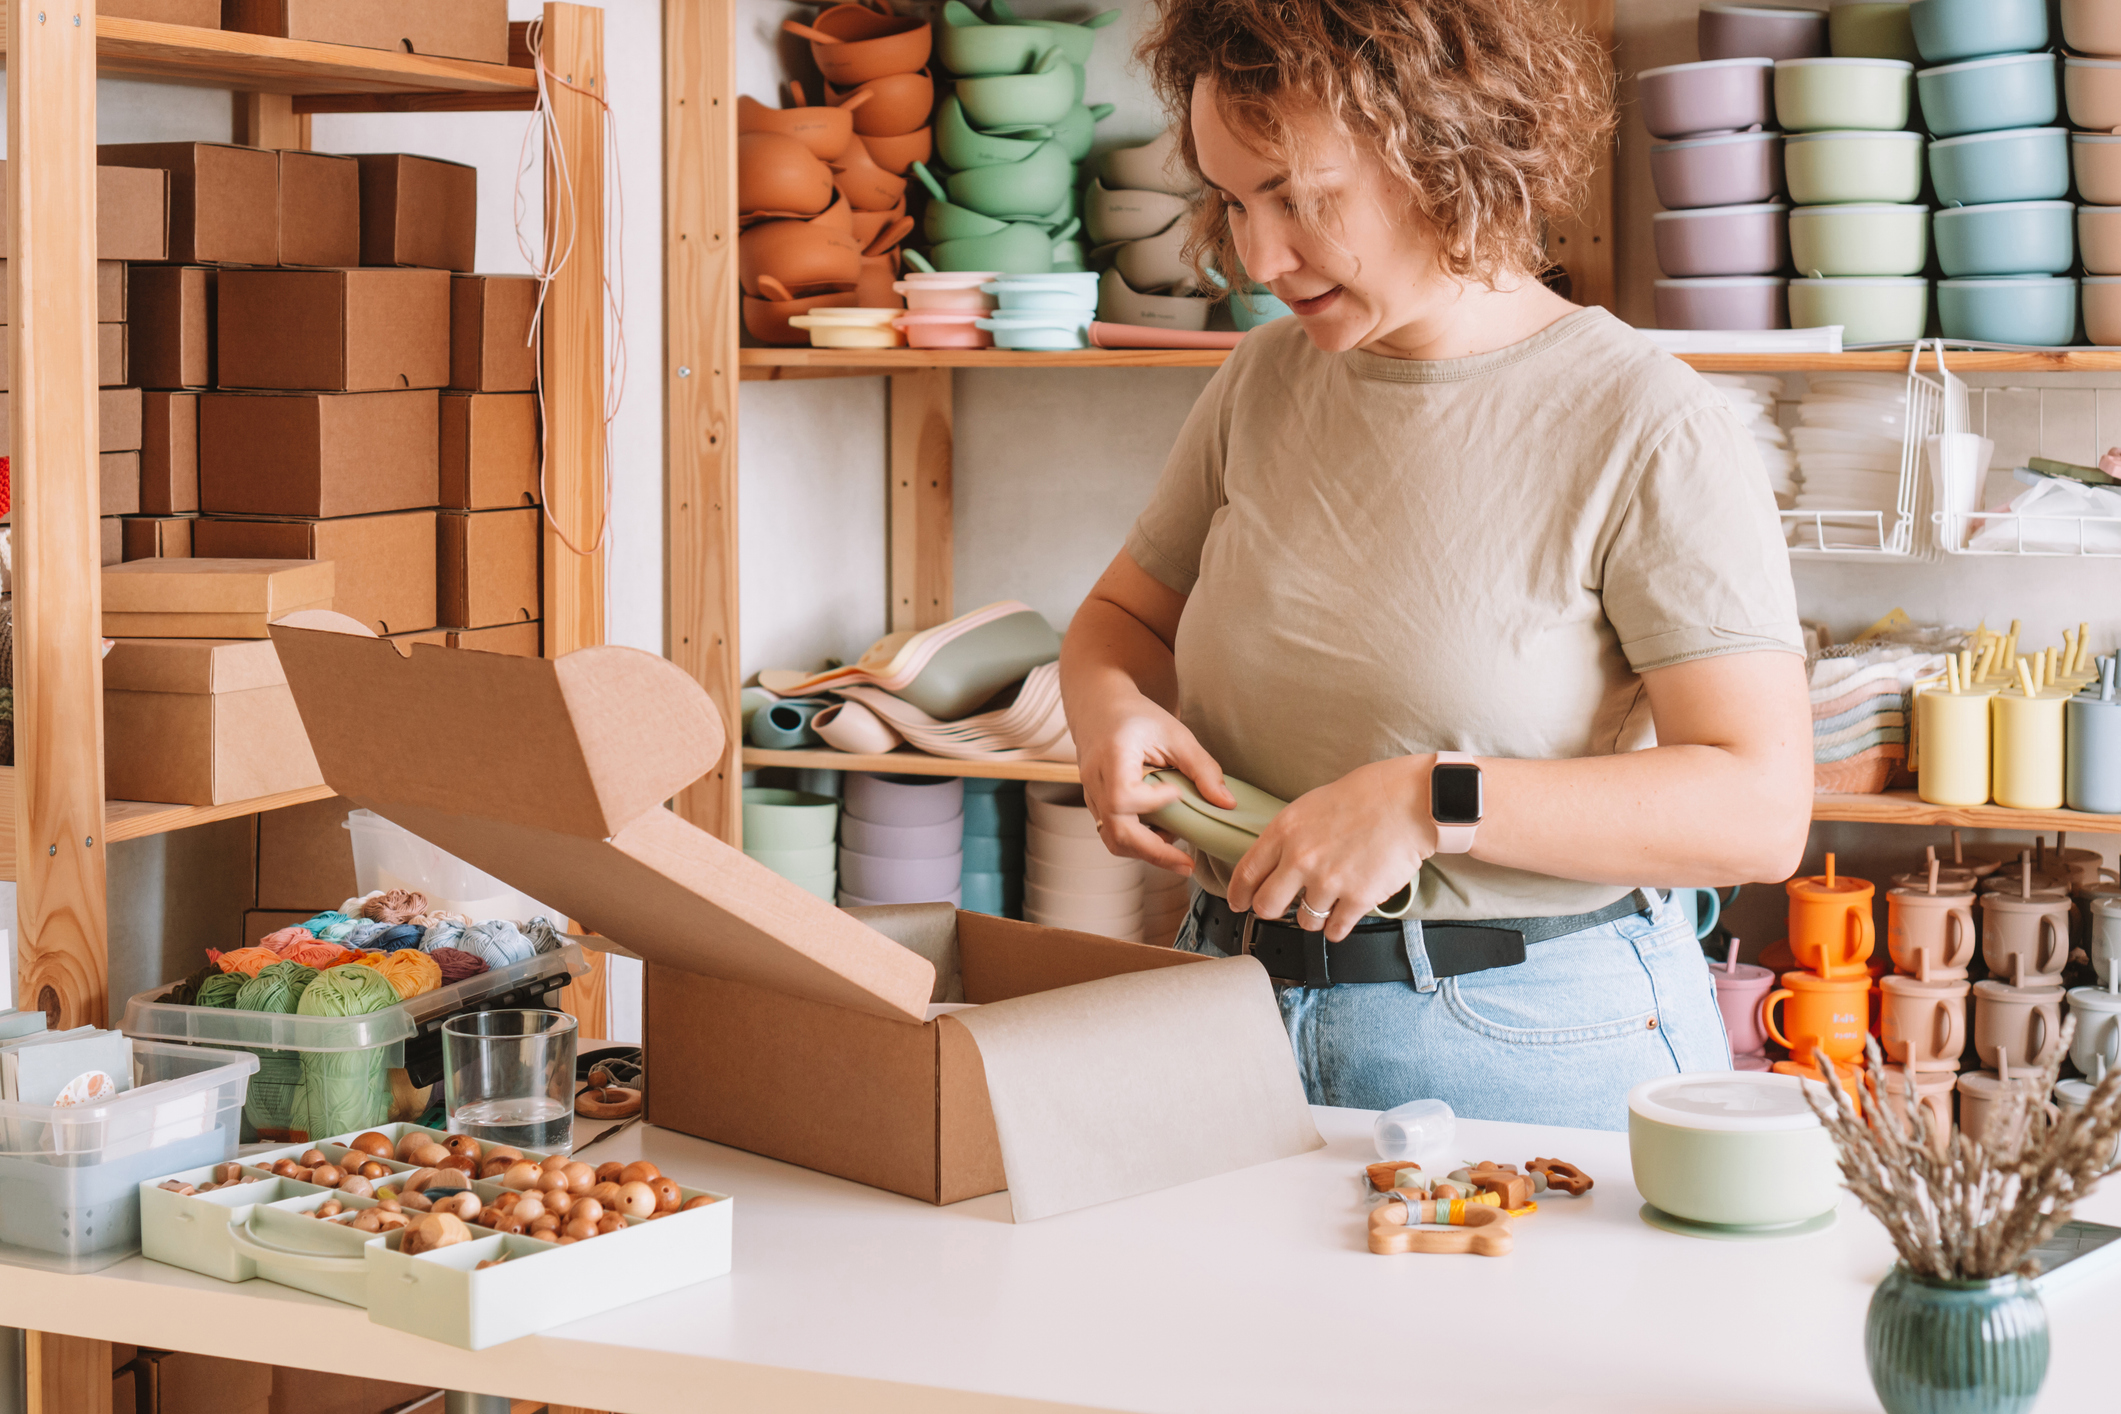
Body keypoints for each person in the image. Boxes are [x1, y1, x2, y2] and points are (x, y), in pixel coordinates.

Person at [1057, 0, 1813, 1129]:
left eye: (1302, 199)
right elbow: (1123, 615)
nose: (1259, 256)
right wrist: (1105, 710)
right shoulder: (1260, 382)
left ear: (1443, 150)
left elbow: (1758, 809)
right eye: (1232, 200)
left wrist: (1431, 799)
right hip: (1226, 1012)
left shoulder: (1643, 420)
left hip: (1523, 1035)